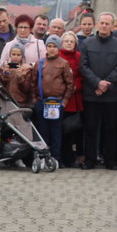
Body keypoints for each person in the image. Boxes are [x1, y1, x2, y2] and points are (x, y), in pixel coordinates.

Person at [79, 12, 117, 170]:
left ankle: (110, 161)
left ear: (113, 26)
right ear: (97, 24)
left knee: (111, 129)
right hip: (91, 93)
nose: (104, 26)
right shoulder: (87, 43)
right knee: (90, 129)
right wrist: (97, 83)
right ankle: (90, 160)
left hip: (112, 95)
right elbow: (83, 67)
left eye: (107, 23)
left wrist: (106, 84)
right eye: (102, 23)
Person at [34, 35, 74, 163]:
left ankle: (56, 157)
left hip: (56, 103)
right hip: (42, 102)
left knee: (56, 131)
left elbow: (70, 84)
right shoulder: (40, 63)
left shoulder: (63, 63)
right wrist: (35, 99)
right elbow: (32, 82)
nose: (51, 49)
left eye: (54, 46)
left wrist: (64, 102)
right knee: (43, 131)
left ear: (59, 48)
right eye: (49, 46)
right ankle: (43, 156)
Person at [59, 31, 84, 167]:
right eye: (66, 41)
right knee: (61, 129)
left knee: (72, 129)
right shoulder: (57, 56)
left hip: (74, 97)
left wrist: (77, 85)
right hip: (61, 97)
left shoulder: (79, 57)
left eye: (71, 41)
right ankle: (61, 157)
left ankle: (71, 158)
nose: (69, 43)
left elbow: (82, 74)